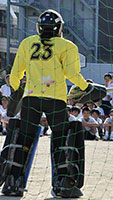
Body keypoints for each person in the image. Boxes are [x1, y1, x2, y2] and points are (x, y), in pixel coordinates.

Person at [3, 9, 91, 197]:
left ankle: (12, 183)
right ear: (59, 28)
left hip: (31, 99)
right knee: (60, 139)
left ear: (39, 27)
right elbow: (72, 75)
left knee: (23, 139)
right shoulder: (68, 46)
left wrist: (17, 90)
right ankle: (63, 184)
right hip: (55, 99)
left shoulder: (27, 43)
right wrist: (87, 87)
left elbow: (16, 75)